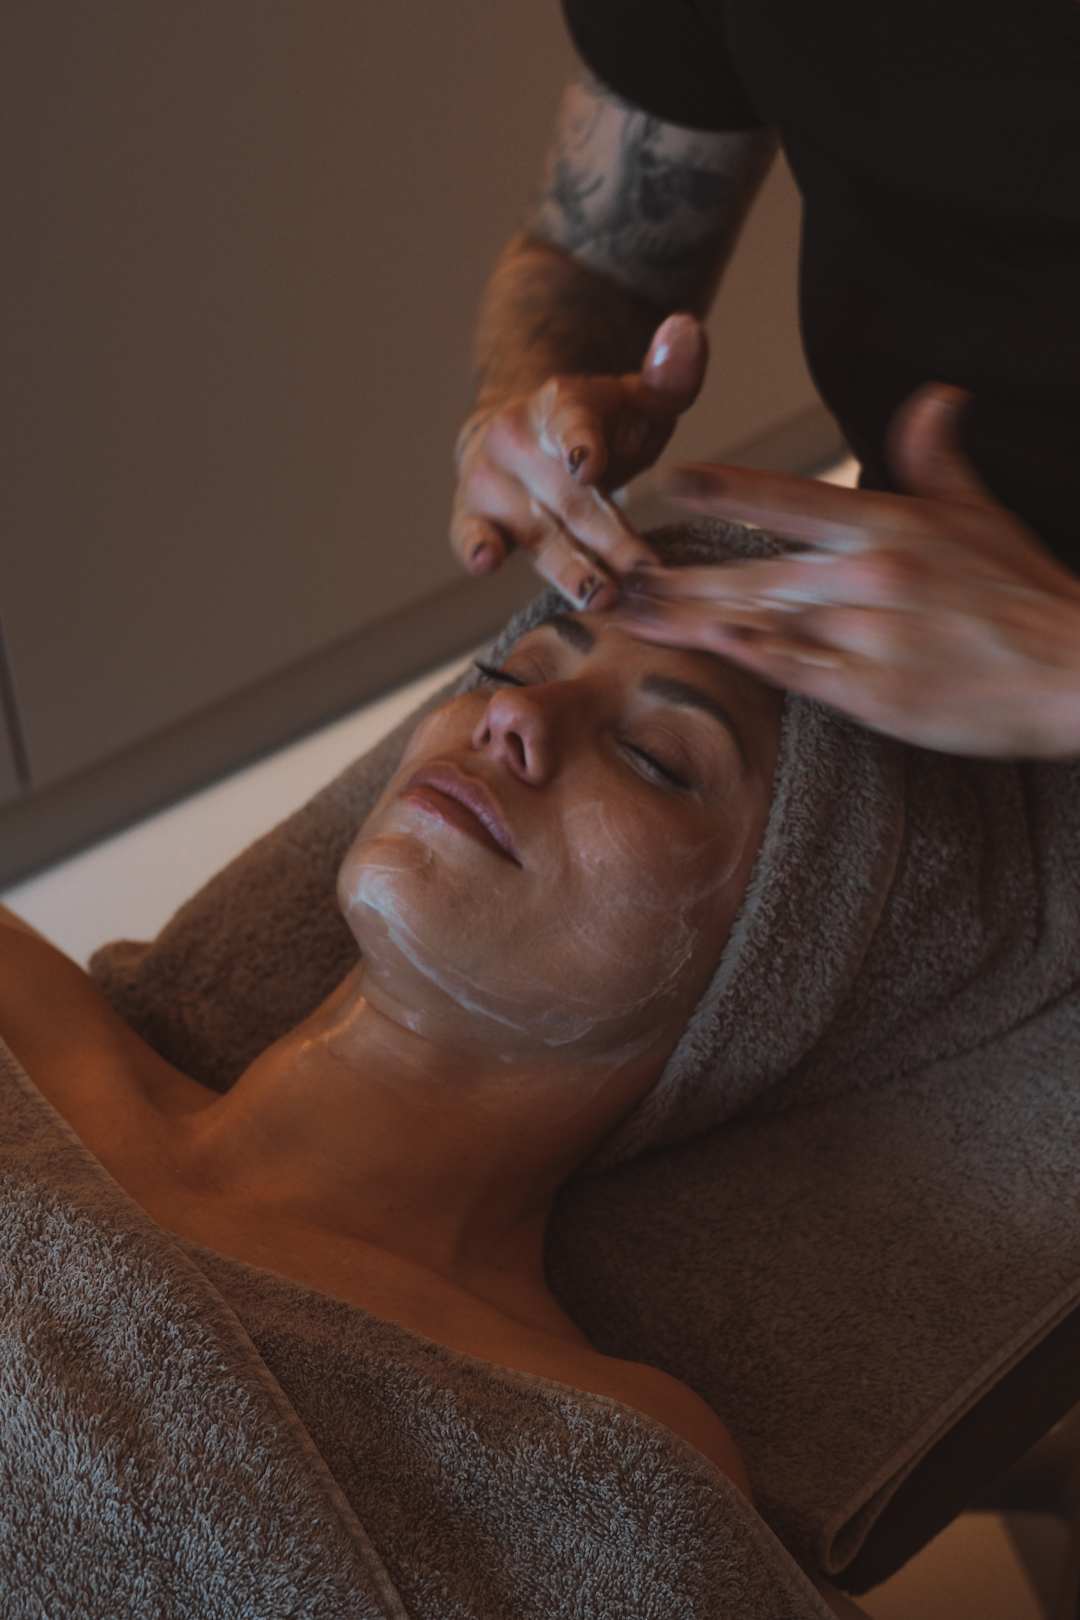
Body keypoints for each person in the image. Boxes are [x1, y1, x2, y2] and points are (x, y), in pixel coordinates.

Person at [451, 6, 1080, 762]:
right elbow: (593, 258)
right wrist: (524, 411)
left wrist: (1063, 671)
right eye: (511, 675)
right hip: (916, 622)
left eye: (657, 763)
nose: (511, 717)